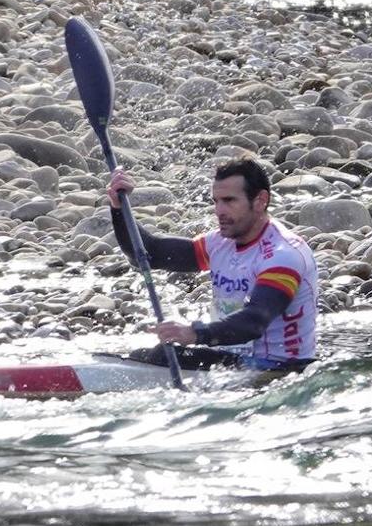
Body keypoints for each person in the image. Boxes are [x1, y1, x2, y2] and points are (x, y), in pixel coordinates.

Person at [107, 158, 318, 372]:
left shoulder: (282, 256)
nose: (219, 211)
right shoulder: (220, 243)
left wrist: (194, 333)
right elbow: (149, 254)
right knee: (157, 354)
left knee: (163, 355)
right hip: (234, 360)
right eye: (216, 201)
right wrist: (119, 207)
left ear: (260, 200)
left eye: (229, 201)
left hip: (281, 369)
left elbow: (254, 321)